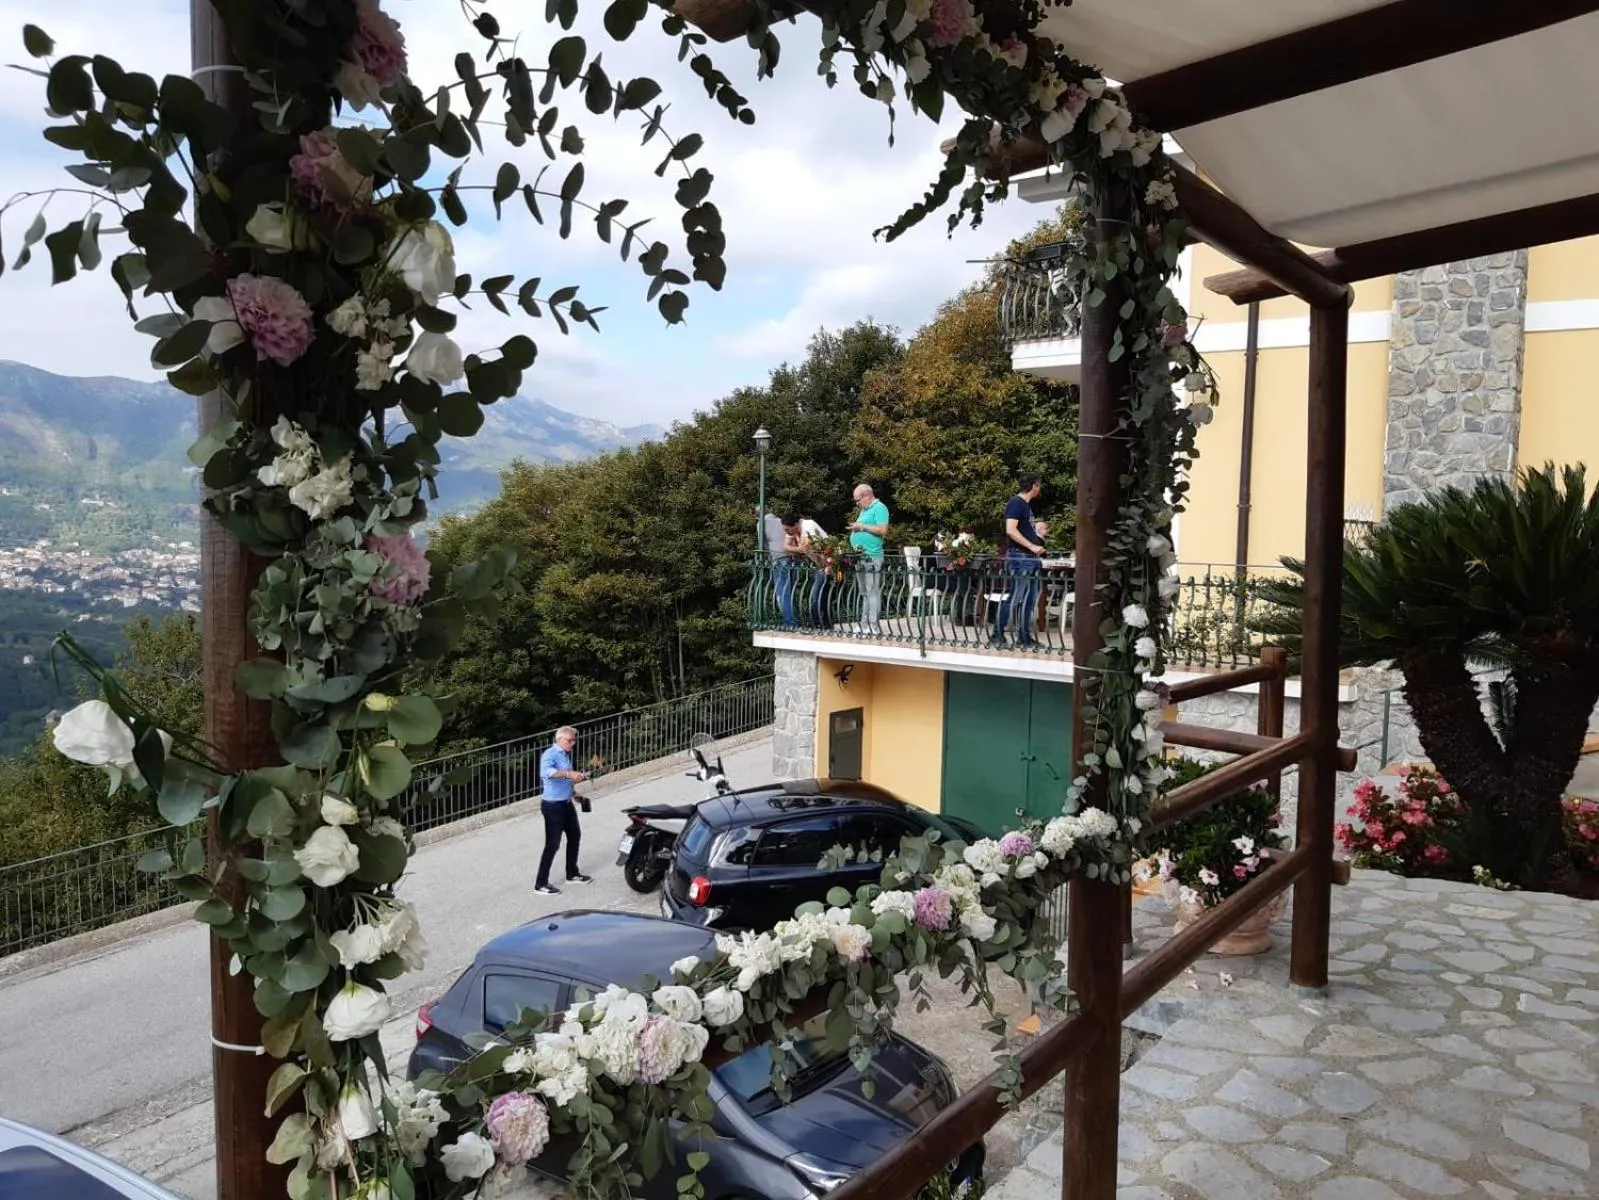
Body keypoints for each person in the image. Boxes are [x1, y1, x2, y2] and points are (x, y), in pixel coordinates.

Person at [535, 725, 593, 894]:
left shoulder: (564, 755)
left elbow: (564, 778)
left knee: (575, 836)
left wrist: (574, 793)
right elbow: (546, 773)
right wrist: (570, 775)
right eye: (569, 740)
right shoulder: (550, 754)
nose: (572, 743)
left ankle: (572, 873)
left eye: (574, 740)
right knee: (552, 844)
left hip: (566, 802)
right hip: (553, 806)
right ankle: (541, 884)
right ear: (559, 739)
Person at [996, 474, 1050, 646]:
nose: (1039, 489)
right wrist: (1032, 546)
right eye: (1039, 486)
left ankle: (1024, 637)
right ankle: (997, 635)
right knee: (1015, 597)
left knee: (1030, 599)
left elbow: (1025, 531)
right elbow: (1010, 530)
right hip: (1020, 557)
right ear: (1034, 485)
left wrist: (1038, 545)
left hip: (1030, 558)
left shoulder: (1026, 506)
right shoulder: (1016, 503)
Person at [847, 483, 890, 634]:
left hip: (872, 556)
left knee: (872, 591)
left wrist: (861, 527)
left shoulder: (880, 508)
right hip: (860, 556)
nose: (857, 503)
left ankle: (873, 626)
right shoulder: (864, 510)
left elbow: (883, 530)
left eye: (858, 500)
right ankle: (864, 624)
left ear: (867, 496)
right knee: (864, 592)